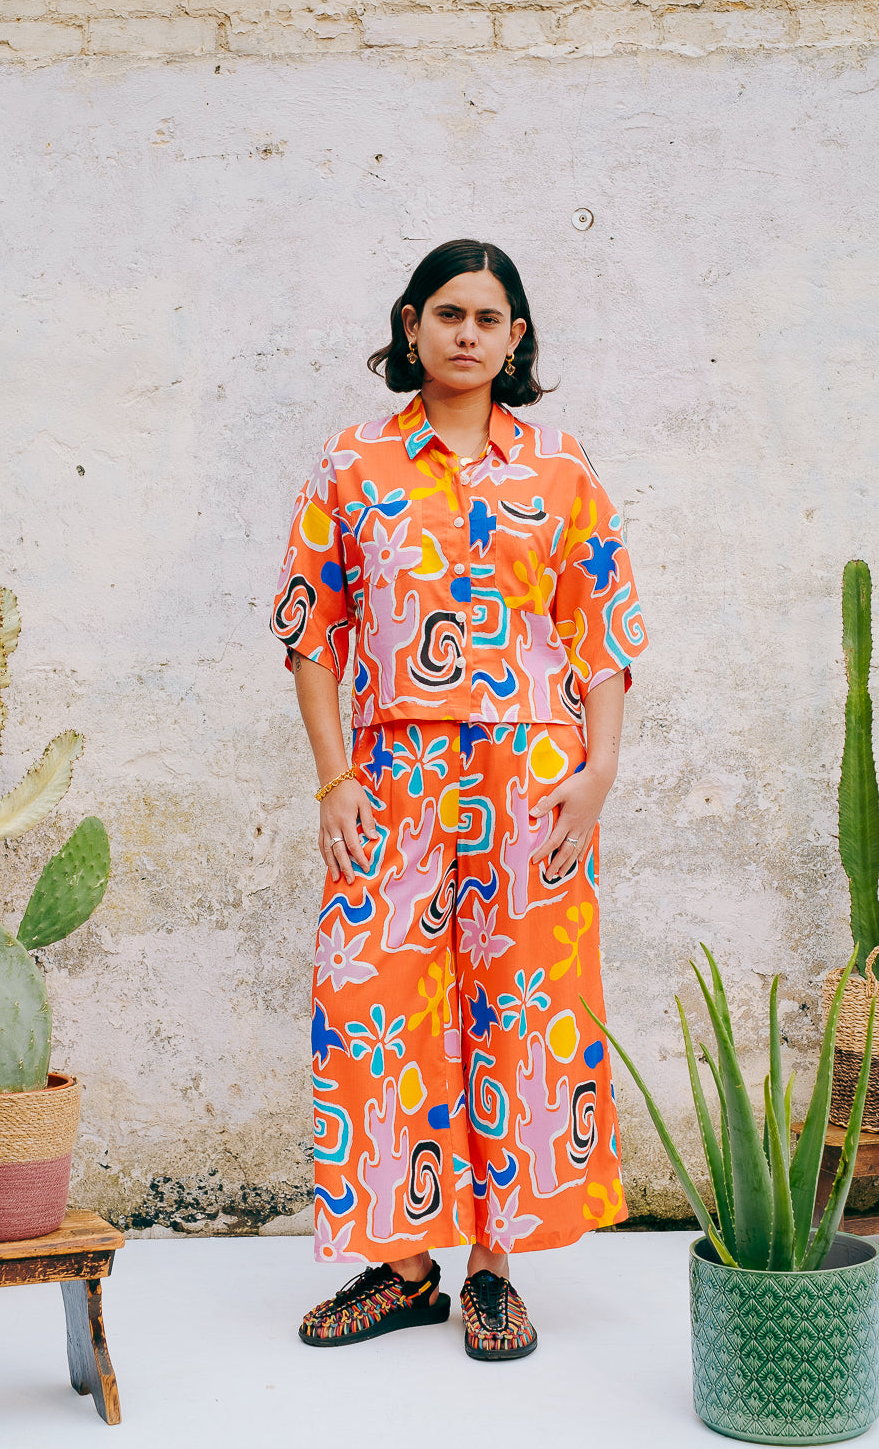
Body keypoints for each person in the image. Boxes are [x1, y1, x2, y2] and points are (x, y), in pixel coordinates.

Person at [270, 239, 647, 1361]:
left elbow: (604, 627)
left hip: (531, 780)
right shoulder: (353, 462)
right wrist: (333, 777)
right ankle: (398, 1268)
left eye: (489, 317)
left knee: (523, 1018)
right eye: (448, 313)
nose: (468, 333)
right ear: (409, 324)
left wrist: (601, 769)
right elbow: (310, 630)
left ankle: (492, 1269)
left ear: (516, 337)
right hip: (392, 781)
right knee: (373, 1001)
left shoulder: (559, 466)